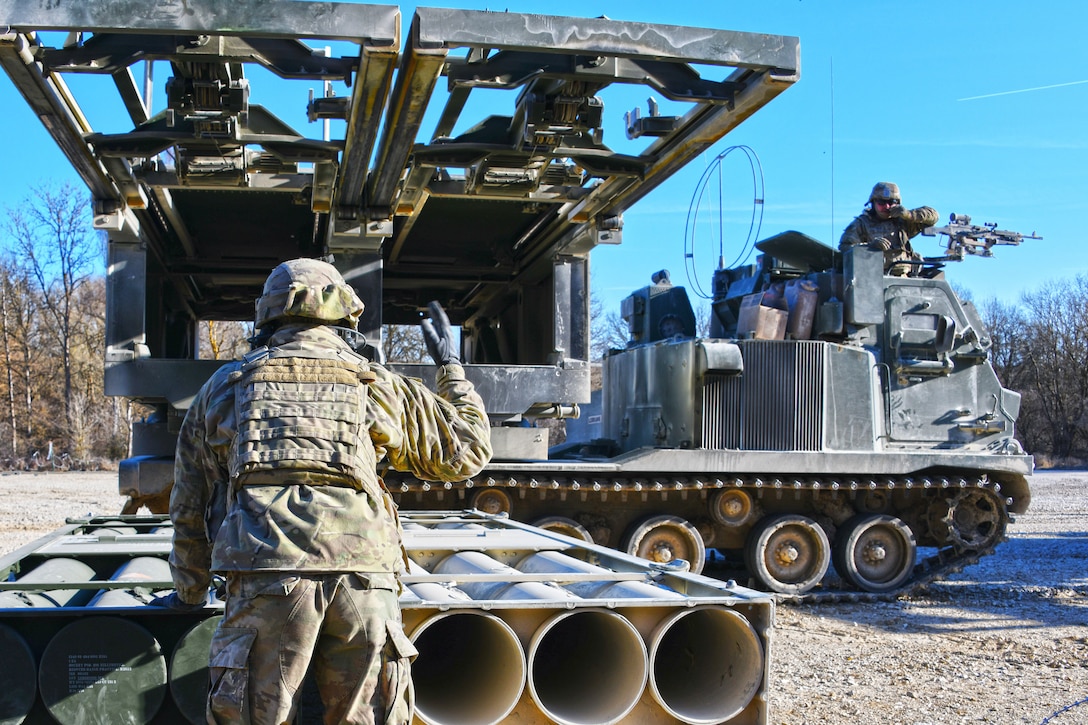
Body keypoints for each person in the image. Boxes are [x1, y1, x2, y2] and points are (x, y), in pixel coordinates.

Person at [151, 258, 492, 724]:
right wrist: (450, 369)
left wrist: (189, 593)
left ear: (267, 314)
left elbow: (190, 502)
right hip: (364, 579)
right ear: (344, 314)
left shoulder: (225, 387)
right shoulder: (379, 384)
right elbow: (466, 452)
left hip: (264, 575)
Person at [839, 181, 939, 275]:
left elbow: (934, 216)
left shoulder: (903, 222)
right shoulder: (861, 224)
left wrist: (910, 215)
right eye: (881, 202)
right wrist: (869, 247)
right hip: (872, 280)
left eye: (891, 202)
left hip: (904, 280)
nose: (886, 206)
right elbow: (845, 248)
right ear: (873, 202)